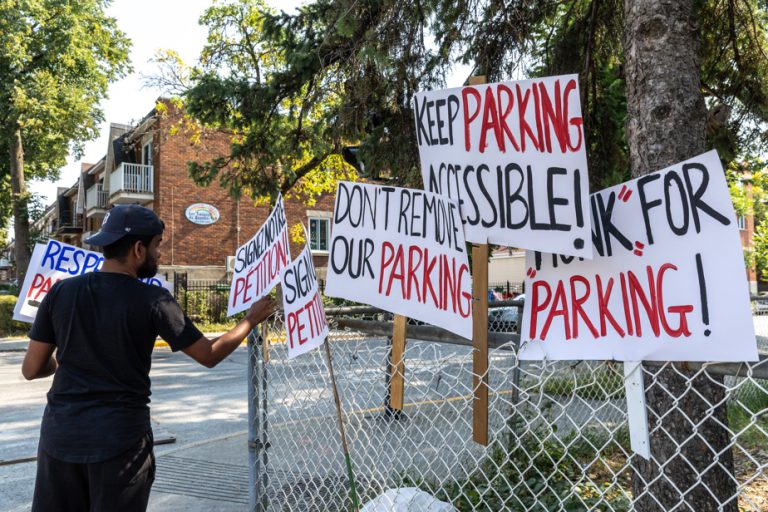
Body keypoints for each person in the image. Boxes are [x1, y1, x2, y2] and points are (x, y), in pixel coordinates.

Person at [21, 204, 276, 512]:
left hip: (59, 439)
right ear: (138, 249)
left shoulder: (61, 291)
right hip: (120, 444)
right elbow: (208, 354)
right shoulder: (153, 300)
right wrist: (250, 320)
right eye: (158, 245)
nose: (159, 254)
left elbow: (32, 368)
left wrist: (61, 361)